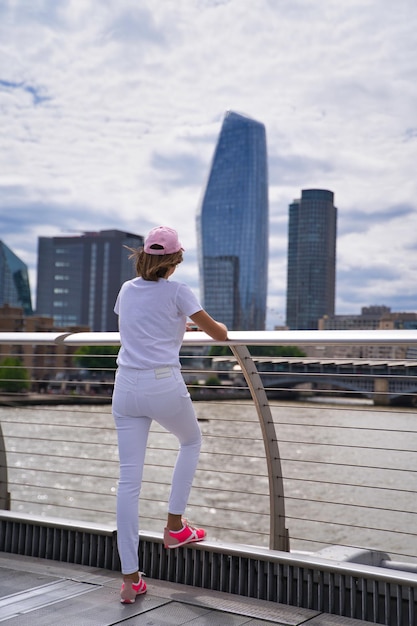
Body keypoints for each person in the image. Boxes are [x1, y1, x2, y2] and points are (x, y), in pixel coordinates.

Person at [112, 225, 228, 604]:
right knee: (191, 441)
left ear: (144, 254)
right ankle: (175, 526)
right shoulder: (178, 291)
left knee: (129, 481)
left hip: (125, 385)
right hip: (162, 383)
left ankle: (131, 580)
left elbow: (142, 323)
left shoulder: (127, 290)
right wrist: (191, 322)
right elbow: (220, 335)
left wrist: (178, 322)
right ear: (175, 259)